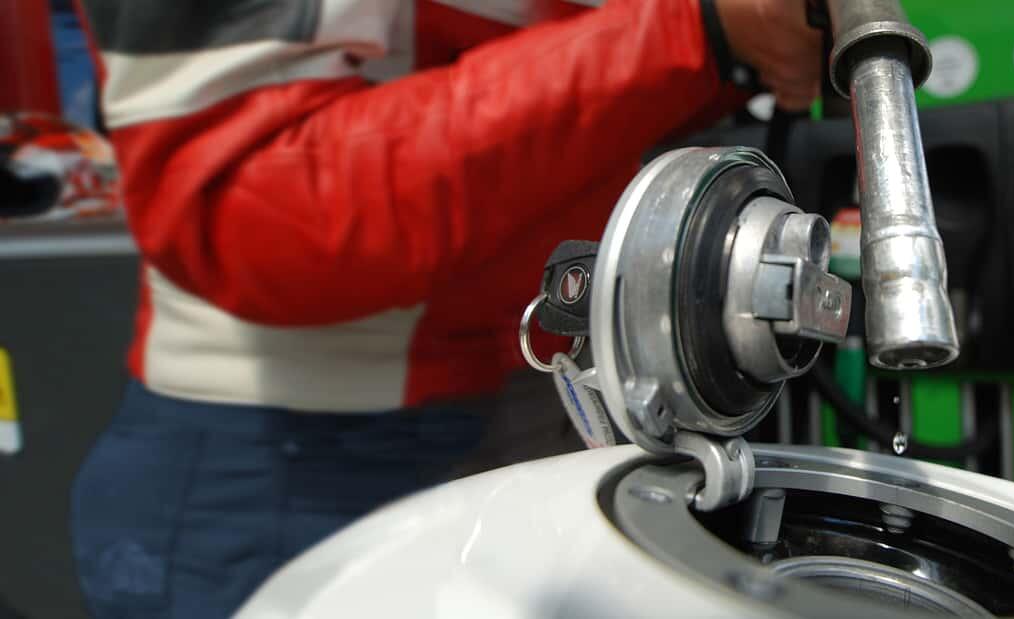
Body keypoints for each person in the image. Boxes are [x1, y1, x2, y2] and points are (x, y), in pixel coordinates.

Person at [70, 1, 821, 616]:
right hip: (296, 468)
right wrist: (693, 34)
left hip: (544, 420)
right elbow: (256, 210)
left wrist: (740, 45)